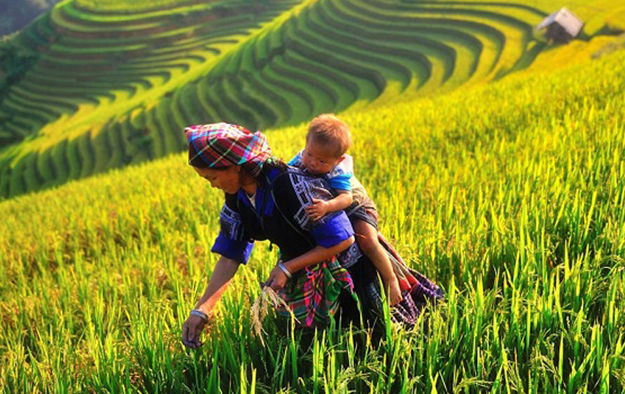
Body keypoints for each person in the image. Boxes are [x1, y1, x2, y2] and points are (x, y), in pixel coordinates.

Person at [180, 122, 443, 349]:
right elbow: (230, 254)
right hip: (307, 270)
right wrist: (202, 309)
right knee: (324, 346)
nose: (213, 184)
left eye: (212, 177)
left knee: (381, 337)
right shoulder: (236, 199)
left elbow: (343, 239)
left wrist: (287, 266)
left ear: (235, 166)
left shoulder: (289, 185)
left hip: (349, 270)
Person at [289, 114, 402, 306]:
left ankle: (391, 279)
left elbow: (346, 198)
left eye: (322, 161)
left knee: (367, 242)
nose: (313, 163)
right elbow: (288, 172)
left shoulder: (338, 171)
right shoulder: (304, 156)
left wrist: (326, 207)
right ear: (306, 145)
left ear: (338, 160)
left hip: (356, 207)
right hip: (336, 212)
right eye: (310, 155)